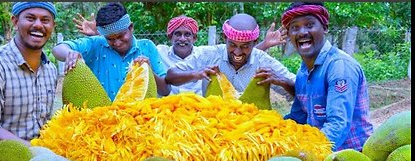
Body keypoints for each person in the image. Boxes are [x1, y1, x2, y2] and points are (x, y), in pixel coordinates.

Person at [74, 13, 289, 96]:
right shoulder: (159, 51)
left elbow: (241, 54)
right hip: (172, 113)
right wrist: (101, 37)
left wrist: (264, 46)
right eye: (178, 34)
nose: (183, 38)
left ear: (195, 38)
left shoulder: (206, 53)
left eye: (188, 34)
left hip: (221, 117)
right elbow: (168, 78)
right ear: (170, 36)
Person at [280, 2, 373, 151]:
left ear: (324, 28)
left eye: (309, 25)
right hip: (321, 155)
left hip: (352, 156)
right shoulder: (303, 72)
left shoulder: (339, 66)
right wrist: (270, 127)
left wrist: (306, 153)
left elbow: (338, 125)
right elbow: (298, 118)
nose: (302, 32)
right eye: (294, 28)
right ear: (289, 35)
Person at [0, 2, 58, 147]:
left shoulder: (50, 69)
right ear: (15, 22)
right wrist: (34, 150)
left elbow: (45, 123)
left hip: (44, 159)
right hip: (4, 160)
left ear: (53, 26)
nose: (38, 25)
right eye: (30, 18)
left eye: (45, 20)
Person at [52, 2, 170, 100]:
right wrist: (70, 54)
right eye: (110, 39)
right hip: (103, 122)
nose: (117, 43)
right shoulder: (95, 44)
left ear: (131, 27)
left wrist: (147, 71)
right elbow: (58, 49)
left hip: (139, 121)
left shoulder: (147, 46)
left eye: (121, 36)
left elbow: (165, 90)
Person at [165, 13, 296, 98]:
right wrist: (196, 74)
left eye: (245, 46)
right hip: (213, 124)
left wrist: (281, 81)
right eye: (232, 45)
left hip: (250, 126)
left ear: (255, 43)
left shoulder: (263, 60)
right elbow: (170, 76)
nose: (238, 52)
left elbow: (301, 89)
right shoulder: (209, 54)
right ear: (224, 38)